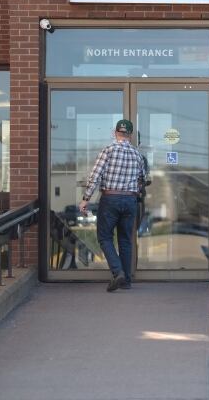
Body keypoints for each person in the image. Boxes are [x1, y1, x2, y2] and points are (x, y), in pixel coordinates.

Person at [80, 119, 146, 292]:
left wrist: (86, 198)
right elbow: (142, 179)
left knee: (104, 237)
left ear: (115, 132)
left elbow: (95, 176)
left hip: (110, 198)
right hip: (130, 200)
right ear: (130, 135)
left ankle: (118, 273)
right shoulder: (137, 154)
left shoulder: (108, 151)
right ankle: (126, 281)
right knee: (125, 239)